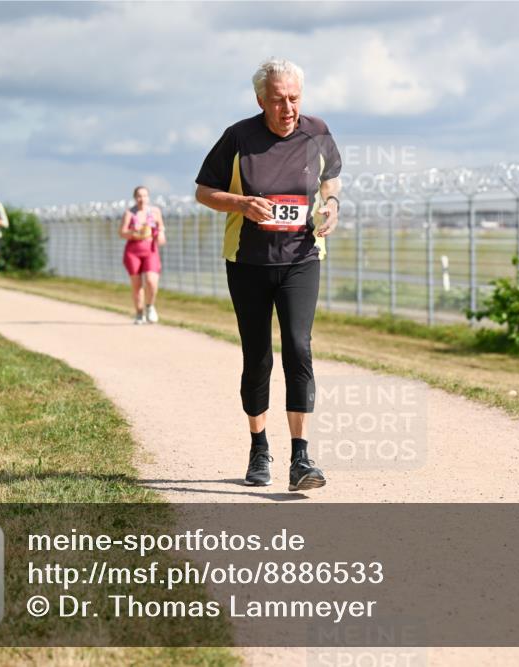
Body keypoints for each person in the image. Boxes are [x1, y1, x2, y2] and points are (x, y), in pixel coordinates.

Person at [194, 58, 341, 492]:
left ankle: (301, 457)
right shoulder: (238, 137)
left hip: (302, 257)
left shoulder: (317, 131)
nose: (288, 108)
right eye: (278, 100)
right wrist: (241, 204)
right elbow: (204, 191)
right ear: (261, 100)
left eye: (294, 98)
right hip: (248, 261)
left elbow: (331, 179)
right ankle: (259, 449)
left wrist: (332, 205)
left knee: (298, 346)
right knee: (258, 355)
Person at [119, 185, 166, 324]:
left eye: (144, 195)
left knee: (151, 281)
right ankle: (139, 313)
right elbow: (122, 232)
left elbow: (161, 227)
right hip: (133, 251)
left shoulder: (155, 212)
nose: (142, 198)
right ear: (135, 197)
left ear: (148, 197)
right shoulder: (129, 213)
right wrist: (134, 232)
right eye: (139, 196)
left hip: (150, 249)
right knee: (137, 285)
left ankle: (150, 306)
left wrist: (160, 235)